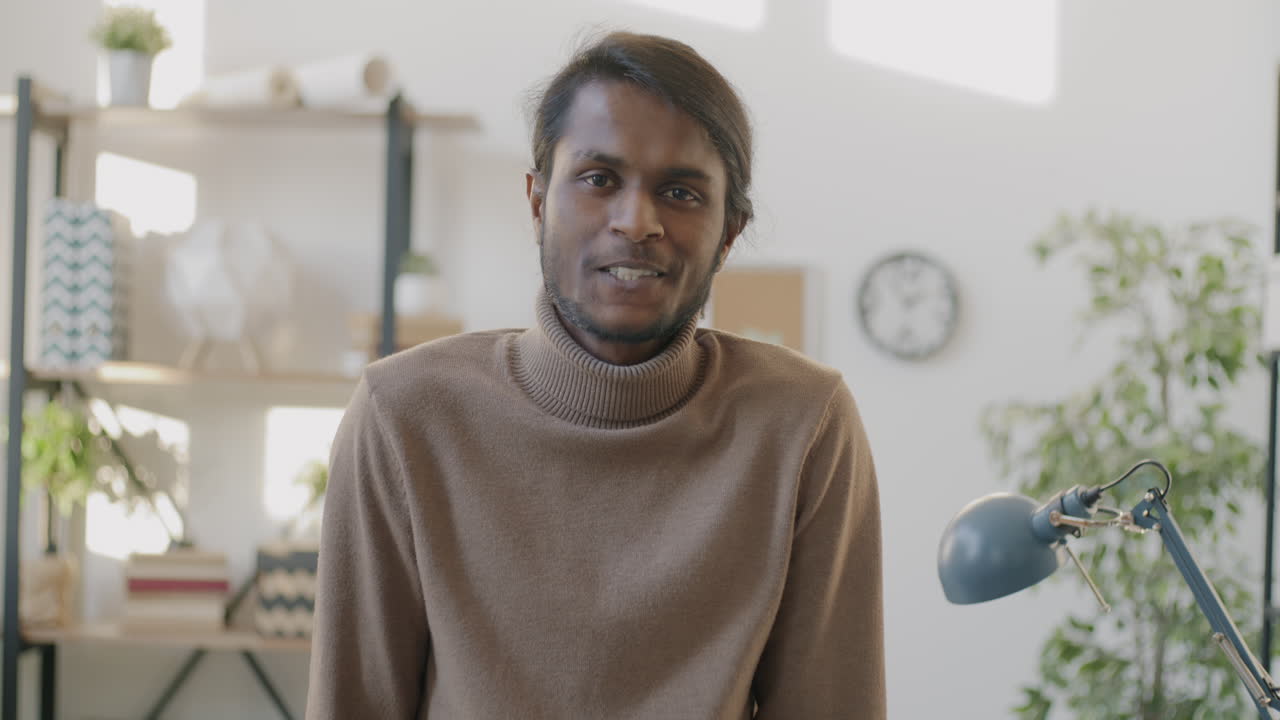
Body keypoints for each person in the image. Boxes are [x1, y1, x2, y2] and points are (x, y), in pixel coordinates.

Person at [305, 30, 885, 719]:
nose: (637, 222)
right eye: (599, 179)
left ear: (729, 231)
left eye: (679, 191)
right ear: (537, 202)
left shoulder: (804, 425)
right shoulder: (404, 414)